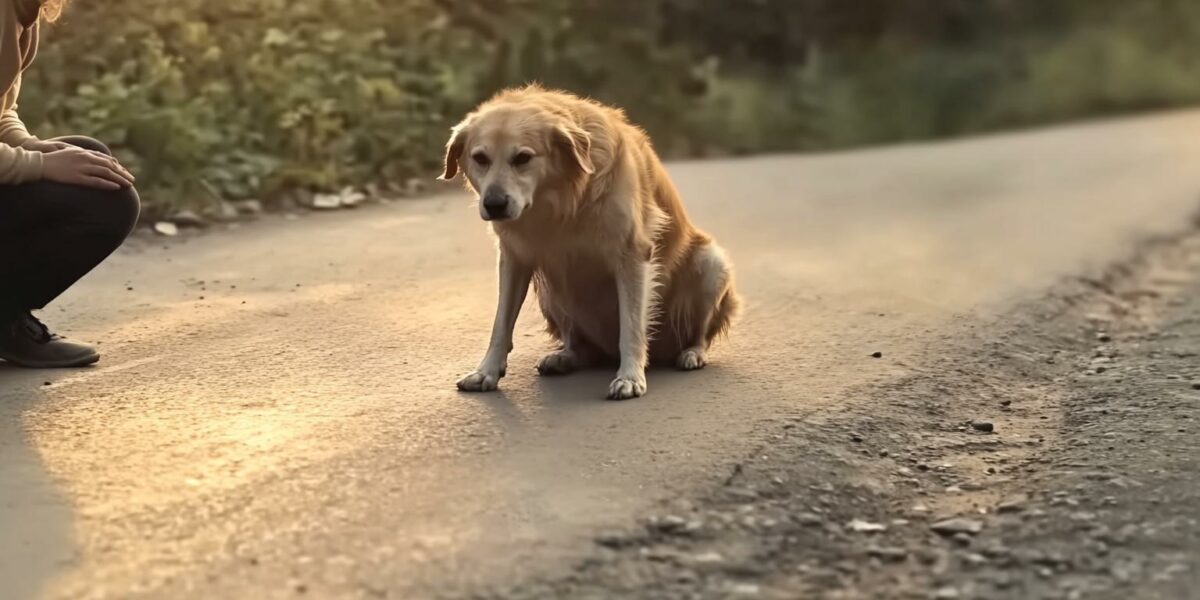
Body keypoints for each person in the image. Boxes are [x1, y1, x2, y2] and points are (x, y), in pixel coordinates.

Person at [0, 0, 139, 368]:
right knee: (107, 204)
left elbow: (1, 110)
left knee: (90, 159)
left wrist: (33, 146)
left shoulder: (20, 10)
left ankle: (5, 320)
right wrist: (38, 165)